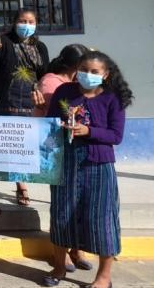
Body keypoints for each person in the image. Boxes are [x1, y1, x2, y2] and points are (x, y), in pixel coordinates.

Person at [42, 51, 132, 288]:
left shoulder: (113, 98)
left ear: (105, 75)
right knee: (62, 215)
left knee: (102, 219)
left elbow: (116, 135)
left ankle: (103, 277)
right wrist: (57, 125)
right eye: (83, 70)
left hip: (98, 164)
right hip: (66, 161)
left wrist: (89, 131)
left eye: (94, 72)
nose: (87, 75)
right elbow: (50, 124)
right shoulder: (65, 92)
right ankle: (59, 267)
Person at [33, 43, 94, 274]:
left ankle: (76, 249)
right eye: (84, 66)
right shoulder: (52, 83)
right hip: (57, 147)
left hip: (79, 148)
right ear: (74, 66)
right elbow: (51, 115)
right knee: (63, 205)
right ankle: (60, 252)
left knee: (78, 203)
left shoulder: (77, 84)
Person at [0, 7, 49, 206]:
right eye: (22, 21)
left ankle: (33, 176)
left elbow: (45, 72)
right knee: (15, 142)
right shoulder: (3, 41)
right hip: (9, 96)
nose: (26, 25)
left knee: (32, 142)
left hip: (33, 96)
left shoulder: (40, 46)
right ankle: (21, 186)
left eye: (31, 22)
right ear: (14, 22)